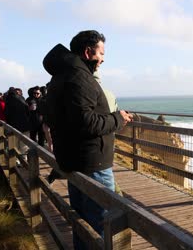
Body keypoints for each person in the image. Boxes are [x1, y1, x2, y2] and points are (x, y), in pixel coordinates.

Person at [43, 30, 133, 249]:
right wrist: (118, 119)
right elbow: (88, 123)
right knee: (104, 222)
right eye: (101, 53)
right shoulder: (79, 77)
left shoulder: (61, 76)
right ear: (87, 51)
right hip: (92, 163)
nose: (103, 58)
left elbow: (55, 117)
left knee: (83, 221)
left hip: (73, 160)